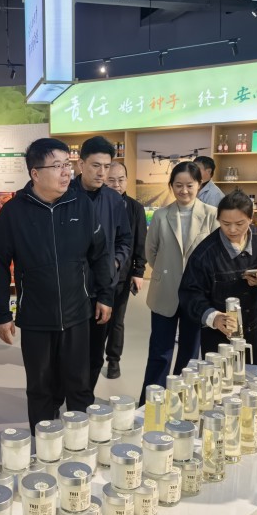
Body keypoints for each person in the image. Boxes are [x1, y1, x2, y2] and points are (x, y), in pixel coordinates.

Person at [0, 138, 113, 434]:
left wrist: (105, 295)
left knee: (79, 385)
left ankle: (80, 443)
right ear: (35, 173)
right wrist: (1, 314)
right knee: (40, 387)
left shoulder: (81, 204)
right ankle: (44, 444)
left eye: (67, 165)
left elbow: (100, 254)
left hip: (77, 312)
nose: (66, 172)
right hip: (36, 317)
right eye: (57, 166)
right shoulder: (14, 212)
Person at [141, 161, 218, 404]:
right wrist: (169, 271)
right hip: (164, 290)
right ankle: (150, 403)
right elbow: (151, 251)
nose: (184, 190)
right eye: (178, 185)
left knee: (190, 352)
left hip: (197, 295)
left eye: (189, 185)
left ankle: (180, 402)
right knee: (159, 351)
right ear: (171, 186)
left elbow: (215, 254)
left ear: (199, 185)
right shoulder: (161, 215)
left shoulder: (211, 215)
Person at [179, 190, 257, 363]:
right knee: (219, 376)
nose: (232, 230)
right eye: (225, 223)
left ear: (251, 218)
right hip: (218, 332)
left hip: (251, 326)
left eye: (239, 223)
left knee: (250, 371)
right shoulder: (205, 253)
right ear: (218, 220)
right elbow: (190, 293)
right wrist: (213, 317)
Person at [71, 136, 132, 390]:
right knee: (69, 352)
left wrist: (115, 263)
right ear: (81, 164)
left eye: (106, 167)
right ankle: (66, 397)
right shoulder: (65, 195)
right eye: (96, 166)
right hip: (71, 289)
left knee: (95, 352)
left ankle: (85, 398)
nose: (102, 173)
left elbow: (125, 239)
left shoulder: (114, 200)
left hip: (103, 288)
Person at [104, 161, 146, 379]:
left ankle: (113, 360)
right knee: (97, 318)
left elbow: (140, 242)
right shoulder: (96, 203)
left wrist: (139, 272)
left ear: (127, 180)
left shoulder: (135, 208)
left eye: (120, 180)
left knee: (117, 320)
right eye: (111, 180)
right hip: (98, 275)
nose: (116, 185)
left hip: (123, 273)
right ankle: (91, 358)